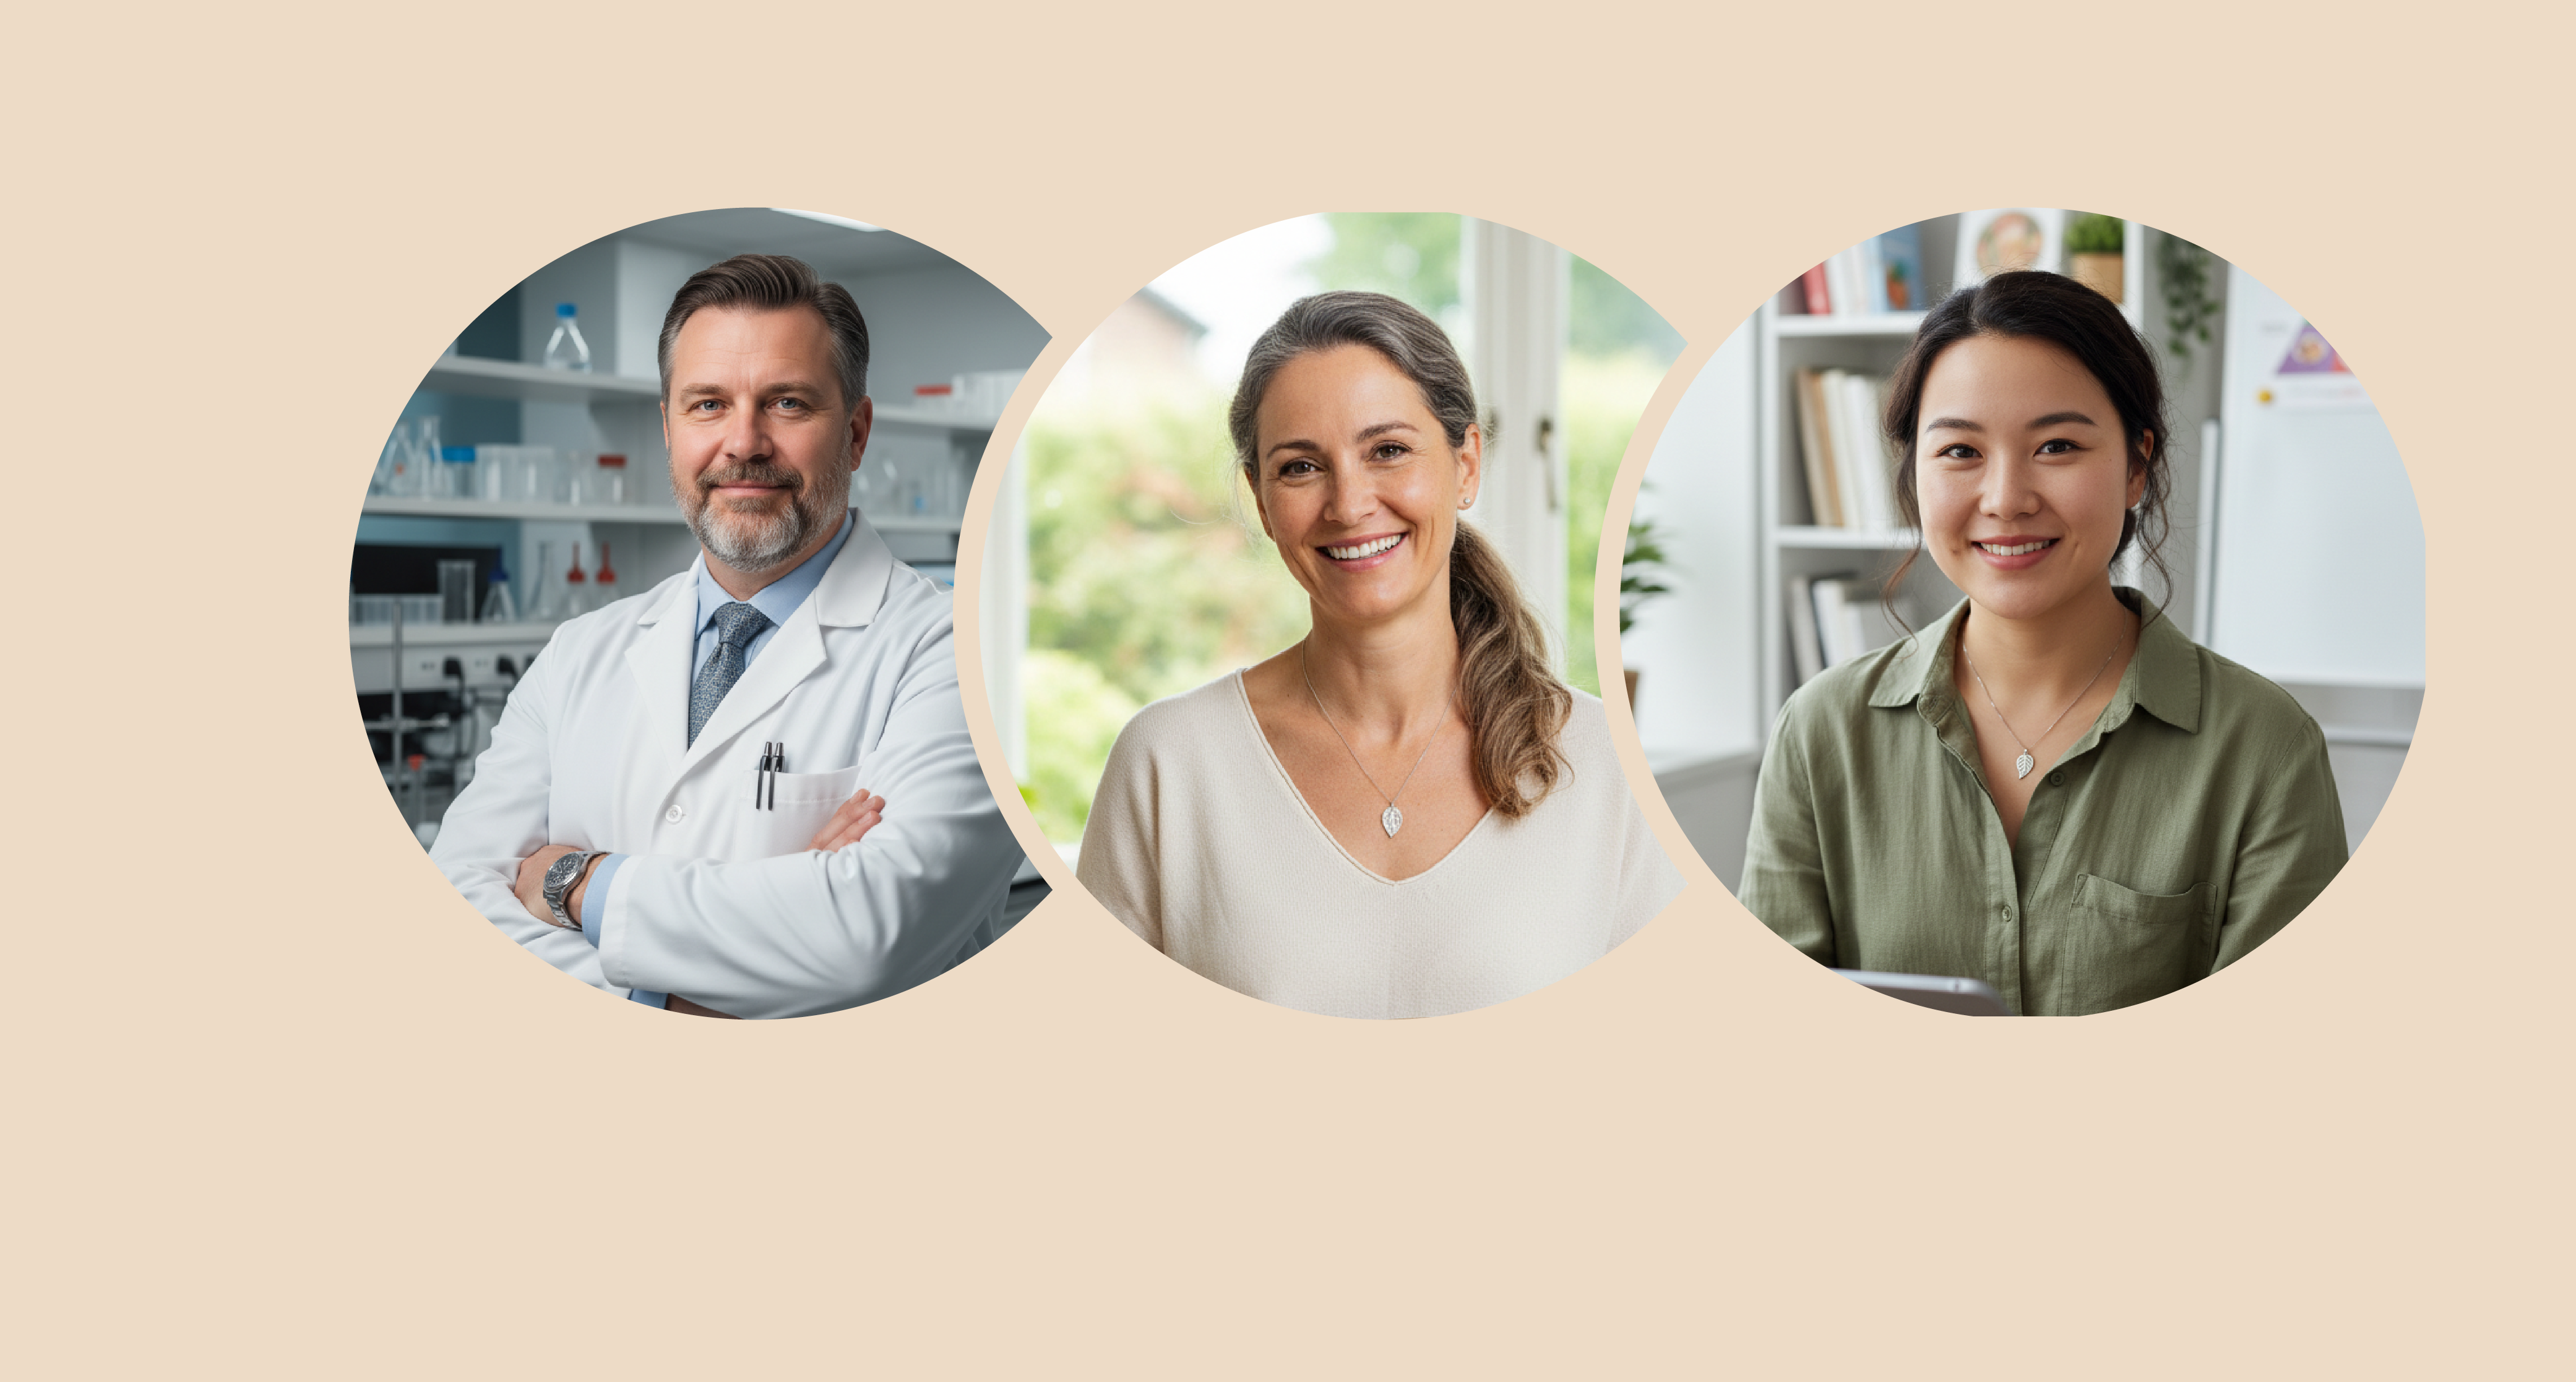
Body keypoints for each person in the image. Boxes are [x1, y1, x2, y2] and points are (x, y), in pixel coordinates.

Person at [1740, 269, 2348, 1016]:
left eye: (2057, 445)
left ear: (2136, 465)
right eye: (1960, 452)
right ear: (1912, 476)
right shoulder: (1821, 732)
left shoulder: (2264, 748)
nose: (2006, 499)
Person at [432, 253, 1022, 1018]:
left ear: (857, 432)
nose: (743, 443)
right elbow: (458, 893)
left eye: (787, 403)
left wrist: (570, 881)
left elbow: (866, 933)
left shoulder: (969, 657)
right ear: (669, 429)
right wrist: (687, 1001)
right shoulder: (580, 653)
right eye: (708, 404)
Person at [1077, 290, 1680, 1017]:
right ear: (1262, 502)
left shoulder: (1603, 757)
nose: (1349, 503)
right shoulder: (1169, 762)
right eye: (1301, 467)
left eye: (1388, 451)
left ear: (1466, 465)